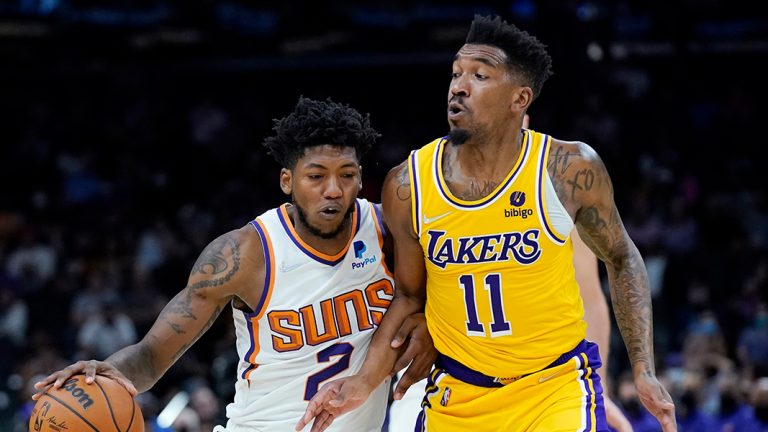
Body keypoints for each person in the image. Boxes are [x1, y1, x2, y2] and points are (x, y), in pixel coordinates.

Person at [297, 15, 676, 432]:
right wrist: (363, 382)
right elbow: (408, 295)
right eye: (456, 73)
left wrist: (643, 368)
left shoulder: (567, 171)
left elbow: (621, 256)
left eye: (479, 75)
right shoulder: (408, 184)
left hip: (554, 385)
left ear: (520, 99)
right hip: (459, 391)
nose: (458, 86)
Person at [31, 97, 432, 432]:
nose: (333, 190)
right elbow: (151, 356)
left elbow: (433, 297)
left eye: (347, 175)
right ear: (287, 181)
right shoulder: (242, 255)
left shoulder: (386, 232)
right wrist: (104, 372)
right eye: (316, 176)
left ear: (361, 179)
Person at [386, 229, 633, 432]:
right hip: (445, 371)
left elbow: (588, 297)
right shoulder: (417, 185)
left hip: (542, 381)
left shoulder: (557, 184)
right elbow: (406, 296)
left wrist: (599, 385)